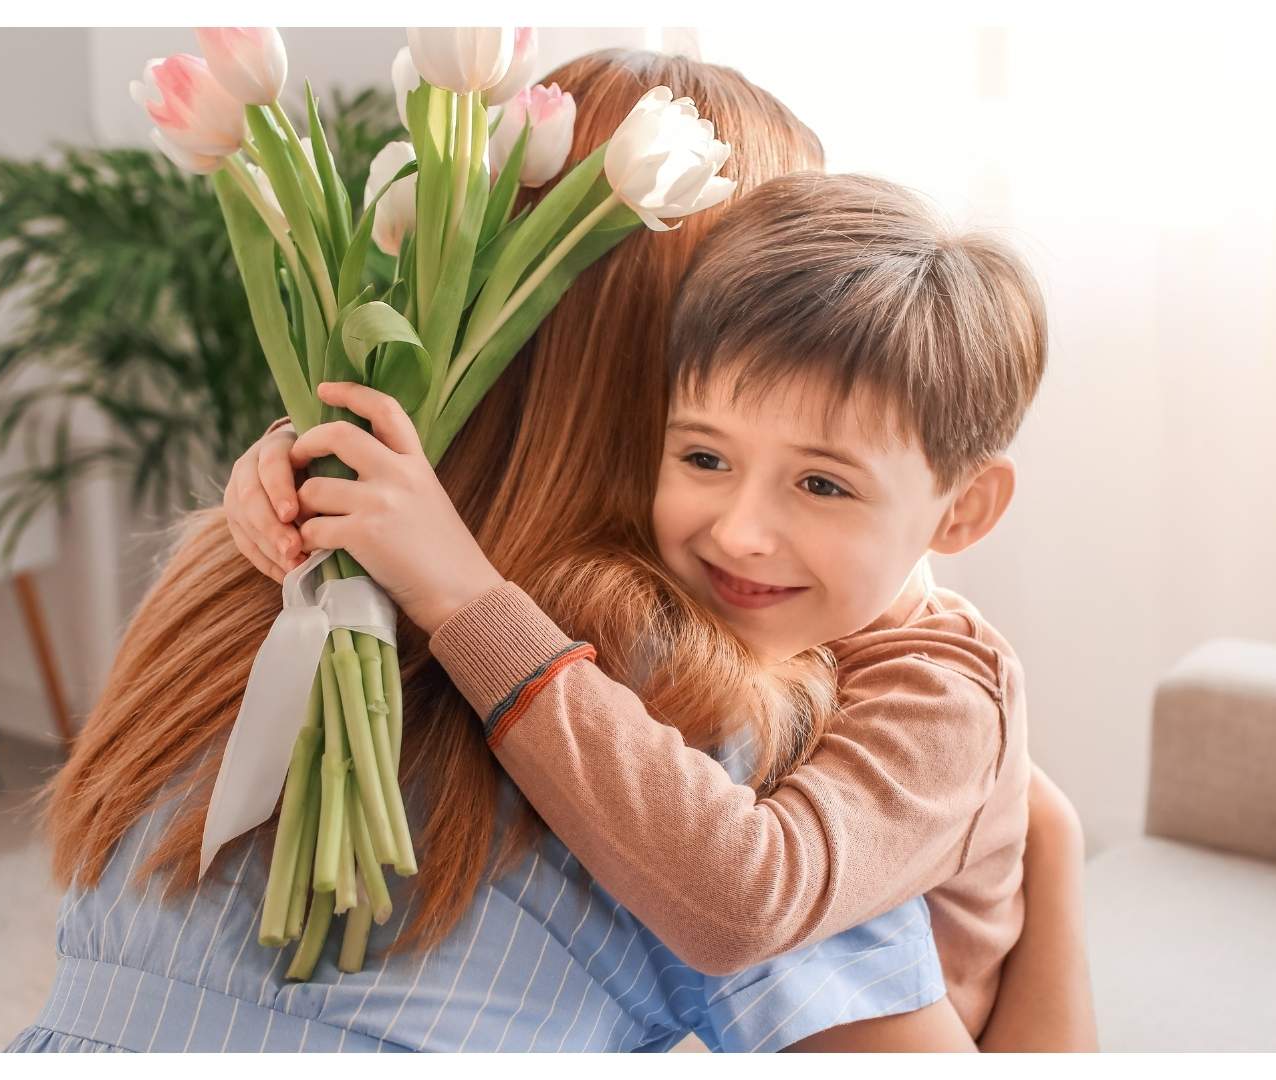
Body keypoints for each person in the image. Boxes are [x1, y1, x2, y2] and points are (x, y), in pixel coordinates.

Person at [12, 51, 1082, 1054]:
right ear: (687, 354)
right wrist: (1053, 840)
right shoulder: (706, 711)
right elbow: (752, 898)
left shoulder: (246, 559)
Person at [228, 175, 1096, 1047]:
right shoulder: (732, 594)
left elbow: (744, 902)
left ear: (964, 511)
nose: (741, 532)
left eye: (822, 484)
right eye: (705, 458)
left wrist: (462, 597)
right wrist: (298, 465)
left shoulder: (945, 696)